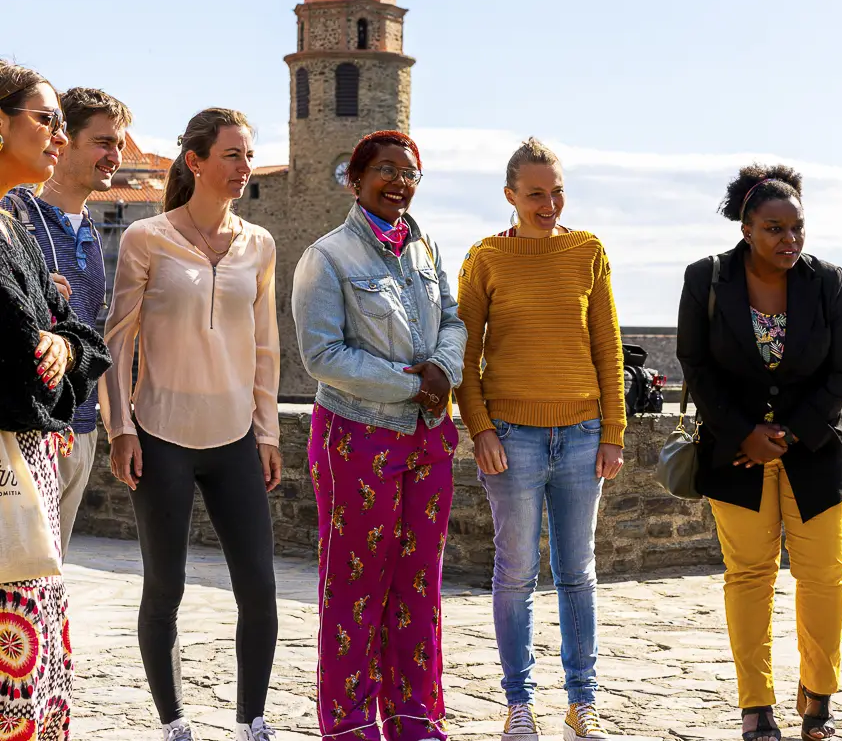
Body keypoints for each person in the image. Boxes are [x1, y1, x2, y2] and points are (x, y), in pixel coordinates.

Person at [100, 108, 282, 741]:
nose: (244, 167)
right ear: (196, 161)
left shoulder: (259, 243)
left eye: (247, 156)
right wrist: (121, 425)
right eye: (231, 155)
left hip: (234, 436)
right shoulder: (145, 238)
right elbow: (118, 340)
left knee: (259, 585)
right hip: (161, 434)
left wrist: (268, 432)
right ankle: (174, 721)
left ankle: (252, 719)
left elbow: (265, 345)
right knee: (165, 586)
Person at [676, 165, 842, 741]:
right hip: (736, 455)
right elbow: (696, 365)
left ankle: (819, 698)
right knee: (749, 576)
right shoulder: (706, 278)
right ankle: (756, 705)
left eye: (798, 228)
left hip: (817, 449)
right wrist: (744, 435)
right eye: (775, 229)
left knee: (822, 577)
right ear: (746, 229)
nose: (790, 240)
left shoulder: (827, 281)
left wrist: (788, 434)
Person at [292, 130, 467, 741]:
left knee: (419, 581)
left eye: (410, 173)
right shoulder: (329, 256)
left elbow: (452, 318)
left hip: (428, 437)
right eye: (387, 171)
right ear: (356, 180)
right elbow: (321, 354)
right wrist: (410, 385)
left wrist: (445, 370)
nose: (399, 183)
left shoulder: (428, 249)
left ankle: (415, 716)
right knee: (354, 585)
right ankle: (348, 724)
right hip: (357, 437)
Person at [455, 137, 626, 741]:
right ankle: (519, 703)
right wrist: (479, 430)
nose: (548, 203)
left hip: (582, 437)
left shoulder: (588, 252)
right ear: (510, 196)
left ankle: (584, 702)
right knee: (516, 572)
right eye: (535, 194)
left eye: (556, 192)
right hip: (513, 439)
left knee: (578, 572)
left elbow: (607, 347)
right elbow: (463, 358)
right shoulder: (485, 261)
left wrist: (613, 432)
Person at [0, 61, 112, 741]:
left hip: (29, 467)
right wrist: (54, 349)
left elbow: (77, 339)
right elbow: (19, 354)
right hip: (9, 469)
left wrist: (64, 349)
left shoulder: (12, 232)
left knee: (31, 666)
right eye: (46, 120)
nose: (59, 139)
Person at [2, 86, 132, 556]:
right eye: (103, 142)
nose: (115, 155)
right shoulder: (14, 214)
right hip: (28, 426)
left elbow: (95, 335)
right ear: (66, 139)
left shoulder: (92, 231)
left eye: (119, 144)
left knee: (50, 578)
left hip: (81, 428)